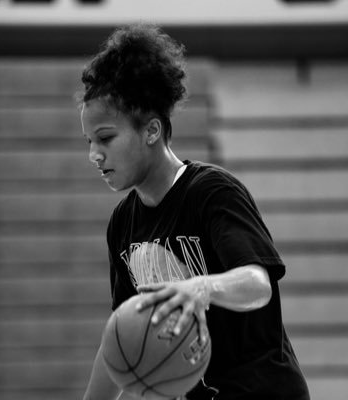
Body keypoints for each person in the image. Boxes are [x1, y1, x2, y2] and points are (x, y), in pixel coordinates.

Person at [79, 23, 310, 400]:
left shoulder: (212, 192)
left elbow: (257, 283)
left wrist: (201, 287)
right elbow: (121, 337)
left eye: (105, 138)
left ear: (151, 130)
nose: (94, 154)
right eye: (89, 142)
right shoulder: (122, 224)